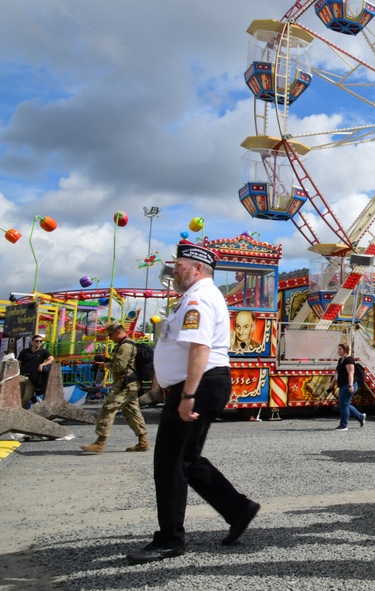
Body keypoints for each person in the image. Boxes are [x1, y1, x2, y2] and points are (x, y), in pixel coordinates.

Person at [126, 242, 259, 564]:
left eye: (180, 265)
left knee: (170, 463)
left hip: (198, 385)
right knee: (186, 458)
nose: (175, 270)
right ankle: (238, 509)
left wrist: (186, 395)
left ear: (197, 268)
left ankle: (170, 539)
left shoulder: (199, 297)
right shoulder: (196, 296)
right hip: (200, 383)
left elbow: (199, 348)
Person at [79, 320, 149, 454]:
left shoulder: (125, 346)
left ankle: (100, 442)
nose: (110, 338)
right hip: (129, 383)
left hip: (125, 383)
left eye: (111, 335)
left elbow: (119, 366)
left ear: (118, 332)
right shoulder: (123, 345)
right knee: (132, 412)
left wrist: (104, 366)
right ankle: (143, 441)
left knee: (108, 408)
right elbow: (120, 363)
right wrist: (107, 360)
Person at [331, 341, 365, 431]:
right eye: (338, 349)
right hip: (343, 384)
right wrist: (332, 382)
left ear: (345, 350)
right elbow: (337, 372)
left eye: (340, 349)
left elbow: (351, 373)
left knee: (343, 405)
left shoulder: (349, 360)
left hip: (348, 384)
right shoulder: (340, 360)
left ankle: (343, 425)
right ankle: (360, 417)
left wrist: (350, 385)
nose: (338, 351)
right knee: (344, 404)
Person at [18, 334, 53, 408]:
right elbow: (18, 362)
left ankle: (20, 411)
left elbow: (51, 359)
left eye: (41, 341)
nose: (39, 343)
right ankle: (22, 412)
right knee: (19, 397)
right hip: (21, 376)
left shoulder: (43, 351)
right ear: (32, 342)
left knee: (27, 397)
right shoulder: (25, 351)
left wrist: (42, 365)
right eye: (37, 341)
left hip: (32, 378)